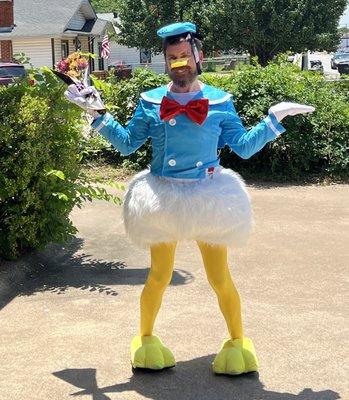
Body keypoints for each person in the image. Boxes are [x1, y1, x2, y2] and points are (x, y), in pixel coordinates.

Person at [64, 22, 315, 375]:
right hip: (162, 198)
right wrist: (98, 114)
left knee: (220, 277)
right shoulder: (151, 102)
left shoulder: (219, 101)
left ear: (198, 56)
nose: (179, 63)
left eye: (184, 56)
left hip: (207, 197)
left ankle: (238, 343)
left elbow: (242, 148)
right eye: (172, 58)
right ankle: (147, 339)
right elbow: (127, 144)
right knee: (159, 276)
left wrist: (273, 121)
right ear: (165, 61)